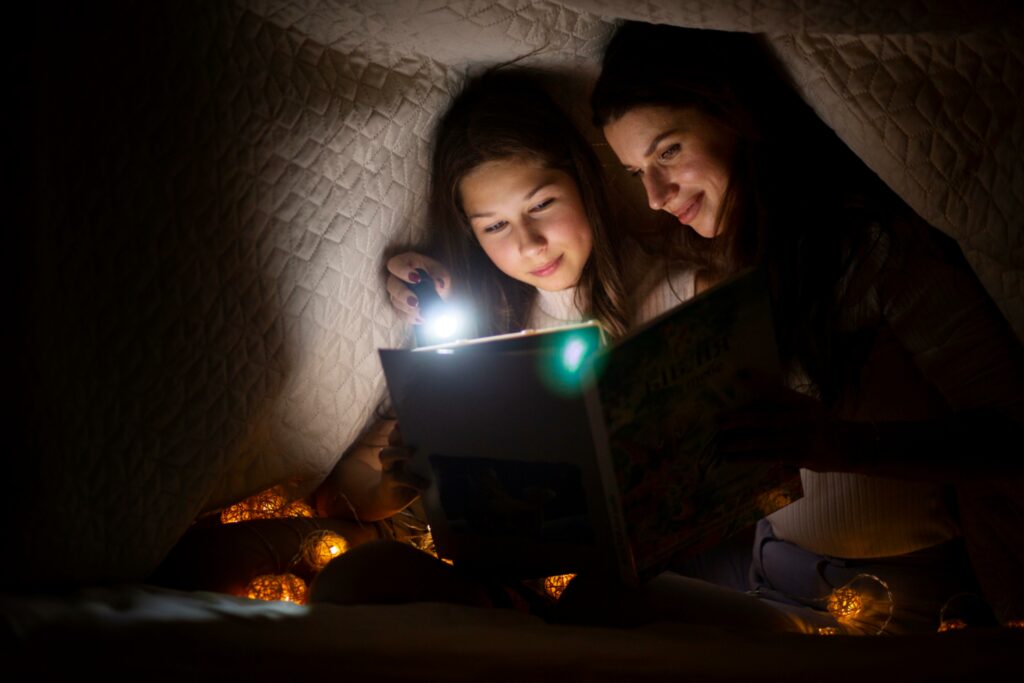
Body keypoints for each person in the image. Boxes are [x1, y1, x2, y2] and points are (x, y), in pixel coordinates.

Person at [310, 68, 812, 632]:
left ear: (584, 183)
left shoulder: (692, 294)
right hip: (530, 596)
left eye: (542, 204)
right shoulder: (481, 332)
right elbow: (338, 493)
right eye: (495, 225)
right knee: (354, 579)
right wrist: (389, 487)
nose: (528, 244)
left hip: (691, 582)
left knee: (603, 602)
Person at [589, 21, 1024, 631]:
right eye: (638, 172)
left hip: (903, 598)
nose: (656, 196)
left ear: (734, 118)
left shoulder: (878, 250)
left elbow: (1012, 430)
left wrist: (843, 445)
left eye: (668, 152)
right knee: (585, 597)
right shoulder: (732, 259)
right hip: (771, 568)